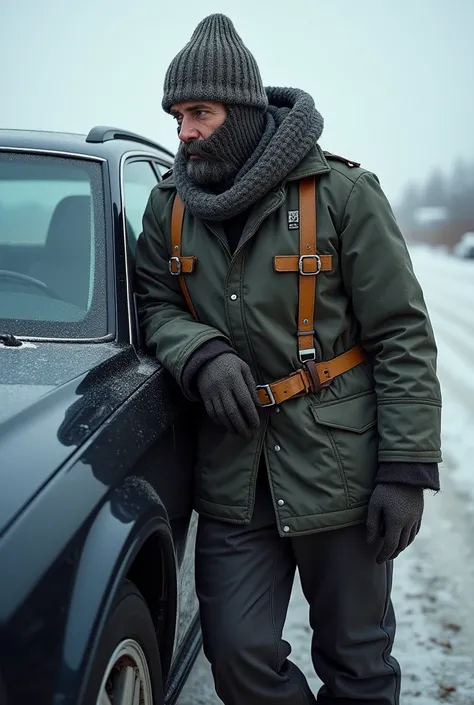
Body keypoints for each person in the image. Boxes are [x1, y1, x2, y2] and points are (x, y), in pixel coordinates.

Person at [135, 13, 442, 705]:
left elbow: (401, 334)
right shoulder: (169, 207)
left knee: (358, 665)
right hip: (233, 472)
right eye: (178, 114)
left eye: (199, 113)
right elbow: (156, 303)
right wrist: (201, 353)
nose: (183, 131)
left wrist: (406, 469)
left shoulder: (344, 194)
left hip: (341, 469)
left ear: (241, 114)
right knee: (237, 655)